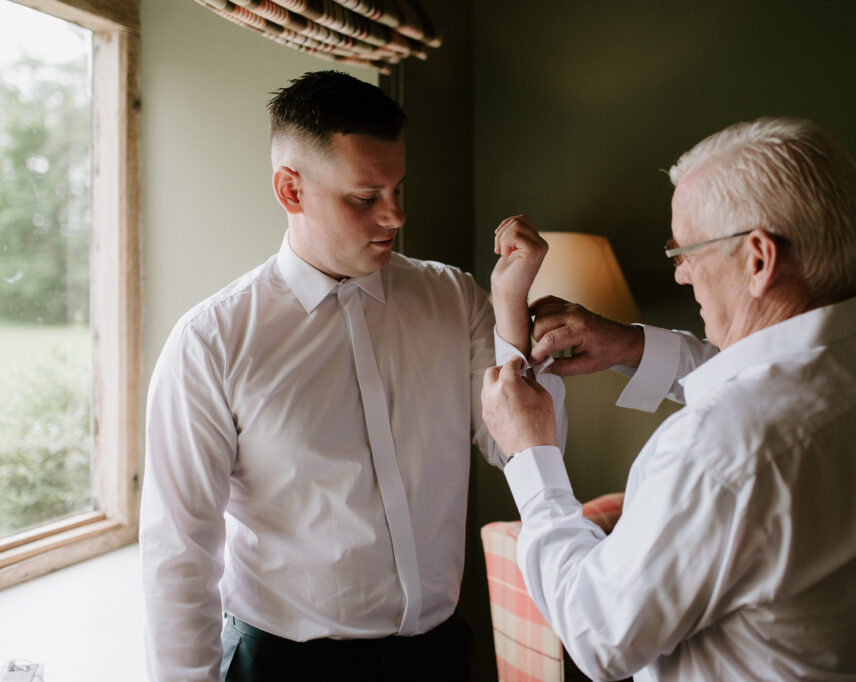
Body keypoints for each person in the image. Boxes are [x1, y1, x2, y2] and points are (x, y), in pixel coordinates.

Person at [481, 117, 856, 681]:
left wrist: (530, 457)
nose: (681, 274)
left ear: (759, 259)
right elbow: (783, 377)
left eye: (686, 249)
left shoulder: (720, 453)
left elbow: (595, 633)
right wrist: (630, 346)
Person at [139, 70, 565, 682]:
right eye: (365, 198)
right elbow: (177, 553)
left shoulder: (453, 299)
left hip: (439, 658)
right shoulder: (212, 342)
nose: (396, 216)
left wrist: (511, 313)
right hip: (286, 667)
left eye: (398, 188)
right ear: (291, 190)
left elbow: (521, 448)